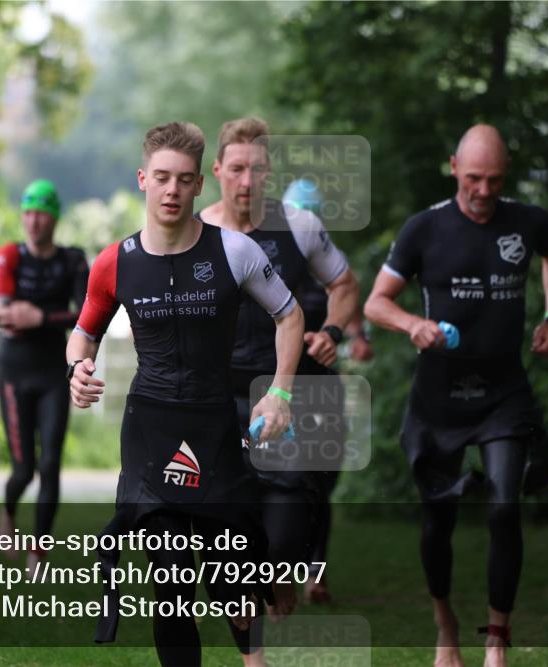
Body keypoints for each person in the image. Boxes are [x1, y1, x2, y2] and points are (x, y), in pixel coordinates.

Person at [67, 122, 304, 667]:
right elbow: (85, 333)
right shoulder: (114, 262)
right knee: (172, 590)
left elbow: (289, 315)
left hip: (215, 430)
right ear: (143, 180)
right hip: (150, 436)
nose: (172, 191)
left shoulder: (236, 252)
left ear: (200, 185)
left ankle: (254, 652)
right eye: (162, 179)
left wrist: (281, 393)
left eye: (184, 181)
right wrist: (78, 368)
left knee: (232, 576)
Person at [364, 125, 548, 667]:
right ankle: (445, 626)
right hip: (439, 398)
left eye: (495, 180)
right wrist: (412, 324)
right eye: (474, 178)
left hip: (504, 393)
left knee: (505, 507)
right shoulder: (424, 229)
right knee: (439, 522)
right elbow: (375, 303)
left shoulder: (529, 222)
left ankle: (497, 639)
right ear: (454, 166)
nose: (484, 190)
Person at [196, 119, 359, 641]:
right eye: (237, 169)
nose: (247, 180)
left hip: (283, 393)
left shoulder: (299, 225)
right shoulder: (194, 231)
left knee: (288, 528)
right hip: (218, 398)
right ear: (218, 170)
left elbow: (345, 283)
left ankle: (276, 575)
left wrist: (332, 329)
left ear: (270, 173)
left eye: (258, 170)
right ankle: (254, 607)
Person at [0, 178, 89, 575]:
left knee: (51, 465)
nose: (33, 221)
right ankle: (8, 510)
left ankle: (38, 553)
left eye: (41, 213)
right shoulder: (10, 255)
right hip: (13, 371)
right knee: (23, 469)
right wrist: (37, 317)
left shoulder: (72, 260)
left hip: (53, 371)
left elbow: (86, 314)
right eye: (27, 212)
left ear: (54, 218)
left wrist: (39, 317)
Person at [281, 178, 374, 604]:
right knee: (286, 480)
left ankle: (316, 571)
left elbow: (350, 304)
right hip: (281, 384)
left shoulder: (330, 264)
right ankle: (281, 567)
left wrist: (357, 338)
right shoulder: (272, 263)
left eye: (311, 215)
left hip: (323, 384)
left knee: (323, 480)